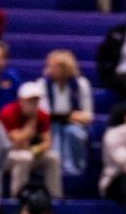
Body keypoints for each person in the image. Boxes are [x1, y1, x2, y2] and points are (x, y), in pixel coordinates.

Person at [27, 50, 93, 181]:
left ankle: (75, 169)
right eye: (48, 66)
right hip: (51, 124)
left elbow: (87, 115)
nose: (48, 70)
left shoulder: (81, 84)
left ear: (65, 68)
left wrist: (67, 117)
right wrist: (69, 116)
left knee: (72, 131)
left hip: (75, 125)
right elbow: (44, 113)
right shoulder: (42, 84)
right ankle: (55, 168)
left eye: (52, 66)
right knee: (54, 131)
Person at [2, 84, 61, 198]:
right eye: (29, 101)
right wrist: (31, 124)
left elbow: (47, 143)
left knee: (53, 158)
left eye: (36, 101)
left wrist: (34, 149)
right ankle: (19, 198)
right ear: (20, 100)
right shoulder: (8, 112)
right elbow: (16, 142)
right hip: (5, 156)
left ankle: (55, 198)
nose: (33, 104)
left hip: (30, 152)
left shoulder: (42, 114)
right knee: (24, 157)